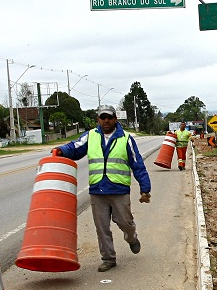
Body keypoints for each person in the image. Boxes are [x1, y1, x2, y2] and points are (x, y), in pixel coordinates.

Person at [53, 104, 151, 272]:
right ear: (98, 119)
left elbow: (137, 164)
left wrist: (145, 187)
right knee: (102, 228)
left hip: (119, 190)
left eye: (110, 117)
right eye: (103, 117)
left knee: (125, 223)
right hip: (97, 190)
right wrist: (61, 150)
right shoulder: (90, 136)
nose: (106, 120)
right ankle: (108, 258)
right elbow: (75, 147)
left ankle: (132, 238)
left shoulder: (126, 138)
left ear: (115, 119)